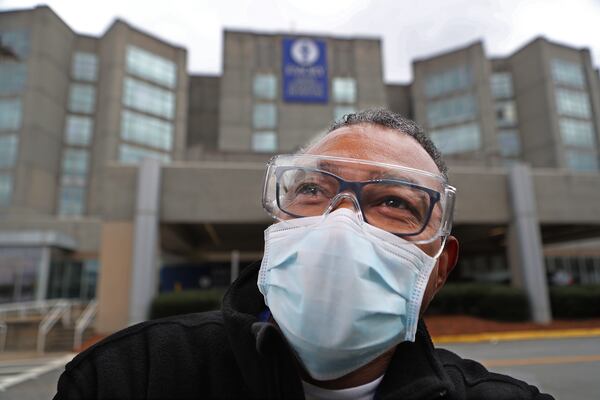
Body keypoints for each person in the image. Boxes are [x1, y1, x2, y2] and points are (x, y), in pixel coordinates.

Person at [54, 109, 554, 399]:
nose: (340, 224)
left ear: (439, 268)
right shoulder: (129, 379)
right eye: (312, 190)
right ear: (277, 225)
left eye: (394, 203)